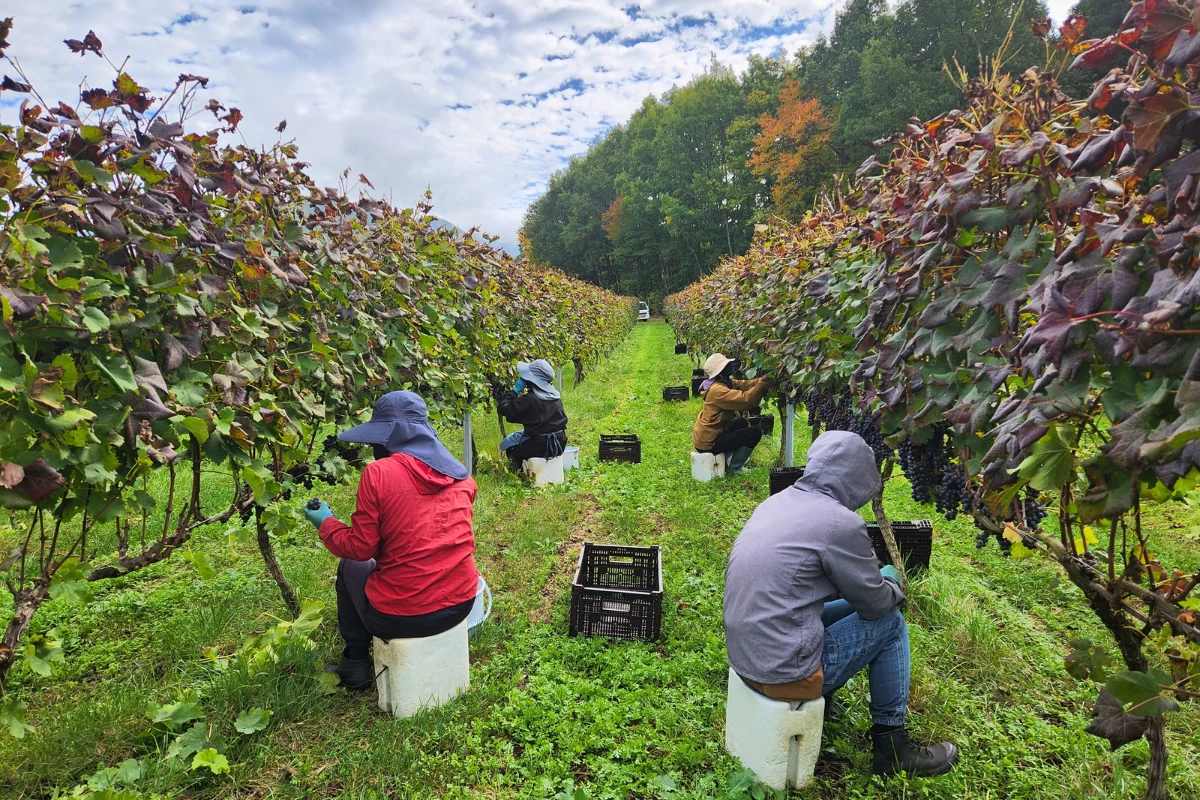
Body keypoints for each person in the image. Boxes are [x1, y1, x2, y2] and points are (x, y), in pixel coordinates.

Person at [723, 431, 958, 778]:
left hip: (747, 654)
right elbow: (876, 604)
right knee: (891, 624)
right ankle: (891, 746)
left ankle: (828, 704)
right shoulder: (839, 522)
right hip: (783, 671)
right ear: (860, 477)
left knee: (843, 608)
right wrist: (892, 582)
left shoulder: (778, 501)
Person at [303, 391, 479, 690]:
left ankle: (354, 662)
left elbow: (360, 549)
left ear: (388, 439)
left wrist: (326, 523)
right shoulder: (462, 476)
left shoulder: (379, 473)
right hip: (463, 602)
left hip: (405, 616)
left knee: (351, 567)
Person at [692, 353, 773, 474]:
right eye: (727, 364)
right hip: (709, 443)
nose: (731, 365)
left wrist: (761, 380)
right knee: (754, 433)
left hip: (710, 434)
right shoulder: (717, 390)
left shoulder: (722, 382)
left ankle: (729, 459)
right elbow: (746, 400)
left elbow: (744, 385)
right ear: (721, 370)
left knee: (741, 422)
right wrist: (763, 385)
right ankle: (735, 468)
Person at [497, 359, 568, 472]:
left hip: (540, 447)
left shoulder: (530, 400)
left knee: (512, 447)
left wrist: (514, 391)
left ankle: (519, 473)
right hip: (559, 443)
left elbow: (504, 409)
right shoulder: (555, 397)